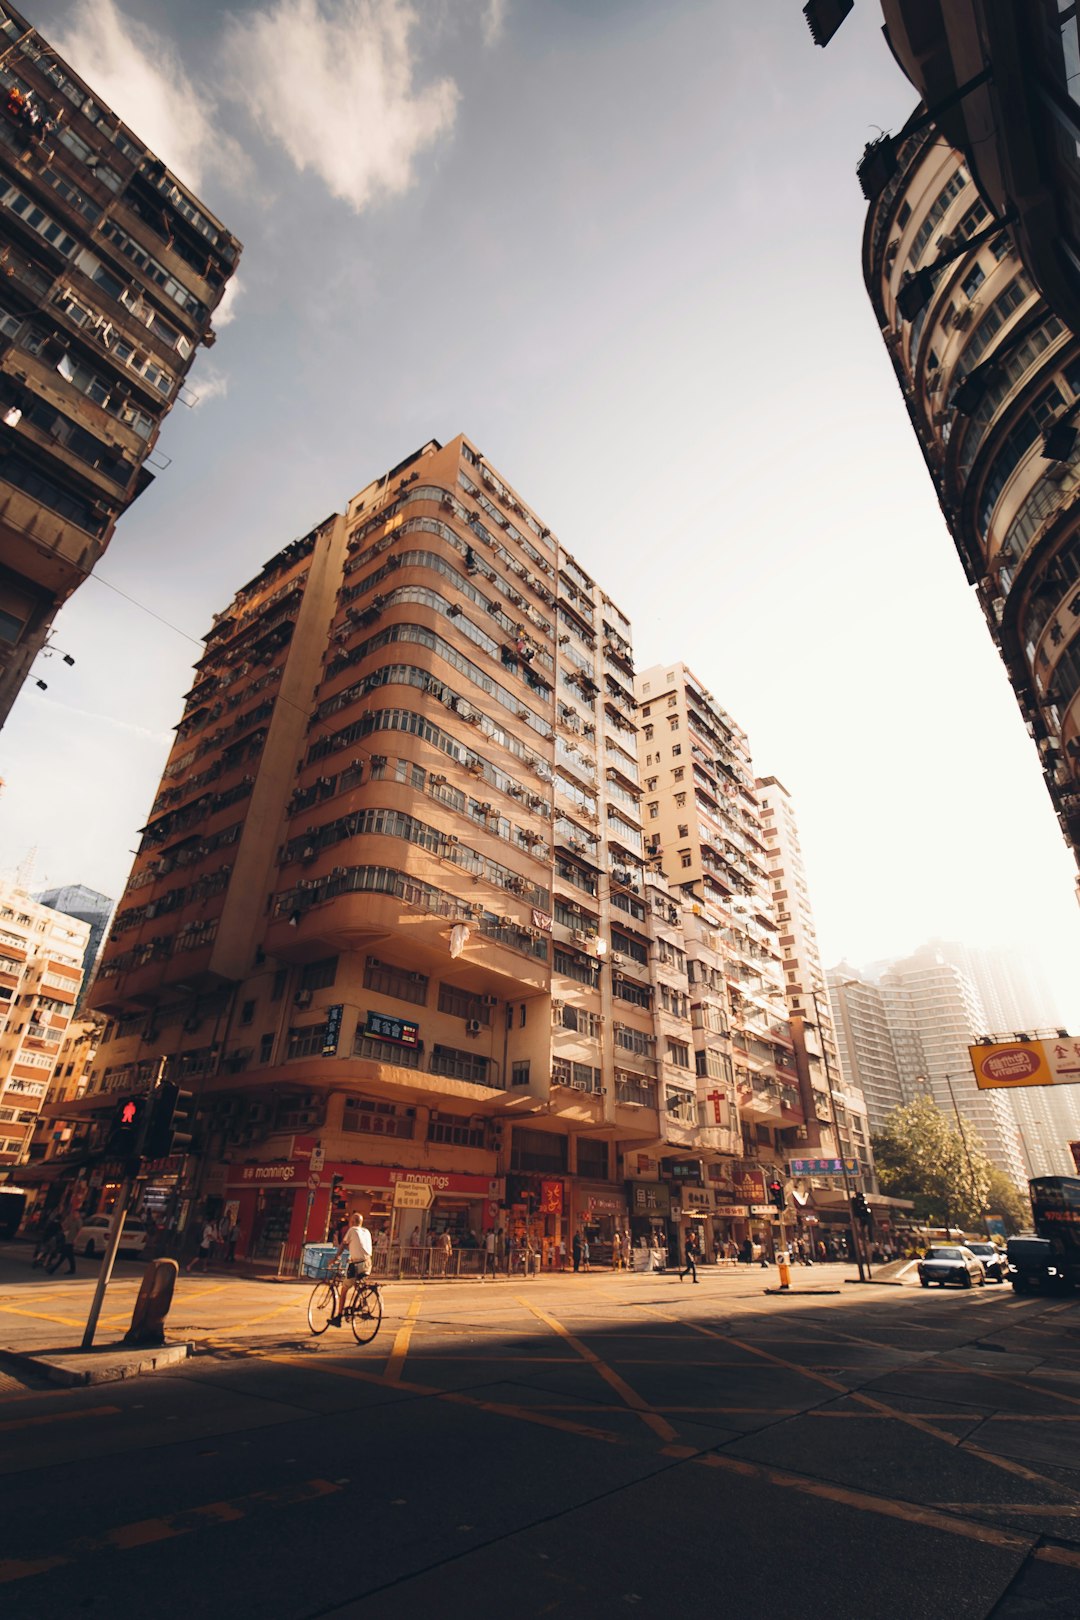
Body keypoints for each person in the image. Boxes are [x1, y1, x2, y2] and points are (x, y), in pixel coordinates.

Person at [330, 1210, 373, 1326]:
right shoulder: (366, 1231)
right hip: (368, 1264)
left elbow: (343, 1245)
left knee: (343, 1290)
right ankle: (362, 1302)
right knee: (357, 1283)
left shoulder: (352, 1230)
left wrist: (335, 1259)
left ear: (353, 1221)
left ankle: (338, 1317)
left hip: (357, 1265)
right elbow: (359, 1247)